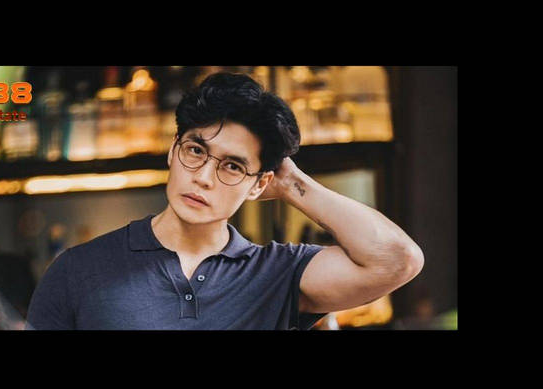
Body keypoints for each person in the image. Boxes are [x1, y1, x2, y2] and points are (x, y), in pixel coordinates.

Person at [26, 72, 424, 330]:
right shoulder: (78, 270)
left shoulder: (277, 273)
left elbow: (397, 260)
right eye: (196, 151)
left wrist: (291, 183)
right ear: (173, 150)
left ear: (259, 184)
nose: (203, 176)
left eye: (232, 166)